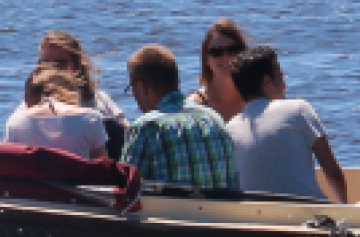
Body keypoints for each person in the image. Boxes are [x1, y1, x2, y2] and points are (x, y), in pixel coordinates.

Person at [225, 46, 347, 203]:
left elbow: (237, 185)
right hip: (310, 216)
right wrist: (343, 208)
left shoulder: (229, 129)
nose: (285, 85)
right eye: (281, 78)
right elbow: (332, 171)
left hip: (259, 218)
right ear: (267, 83)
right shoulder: (298, 109)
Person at [120, 45, 238, 190]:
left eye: (133, 88)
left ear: (142, 86)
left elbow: (125, 191)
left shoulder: (147, 127)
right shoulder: (215, 119)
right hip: (222, 212)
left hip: (170, 213)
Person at [34, 30, 127, 149]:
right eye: (46, 64)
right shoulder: (30, 108)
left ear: (76, 65)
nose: (53, 70)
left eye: (60, 63)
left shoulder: (100, 100)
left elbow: (128, 138)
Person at [3, 64, 109, 160]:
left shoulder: (16, 121)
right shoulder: (91, 119)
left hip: (31, 181)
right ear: (71, 90)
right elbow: (103, 171)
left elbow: (8, 169)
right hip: (76, 180)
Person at [188, 18, 250, 123]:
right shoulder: (194, 107)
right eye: (216, 52)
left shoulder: (256, 100)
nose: (226, 57)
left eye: (233, 50)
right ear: (206, 59)